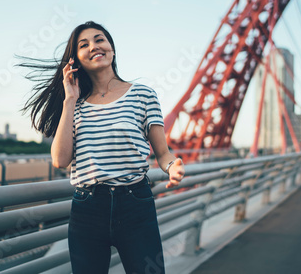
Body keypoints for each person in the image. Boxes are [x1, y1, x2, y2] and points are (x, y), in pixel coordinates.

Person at [21, 21, 185, 273]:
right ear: (75, 59)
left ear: (112, 49)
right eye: (83, 44)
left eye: (100, 40)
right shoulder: (75, 104)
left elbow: (163, 153)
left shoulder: (143, 94)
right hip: (88, 208)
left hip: (135, 204)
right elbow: (60, 160)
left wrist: (172, 166)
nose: (94, 47)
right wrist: (70, 99)